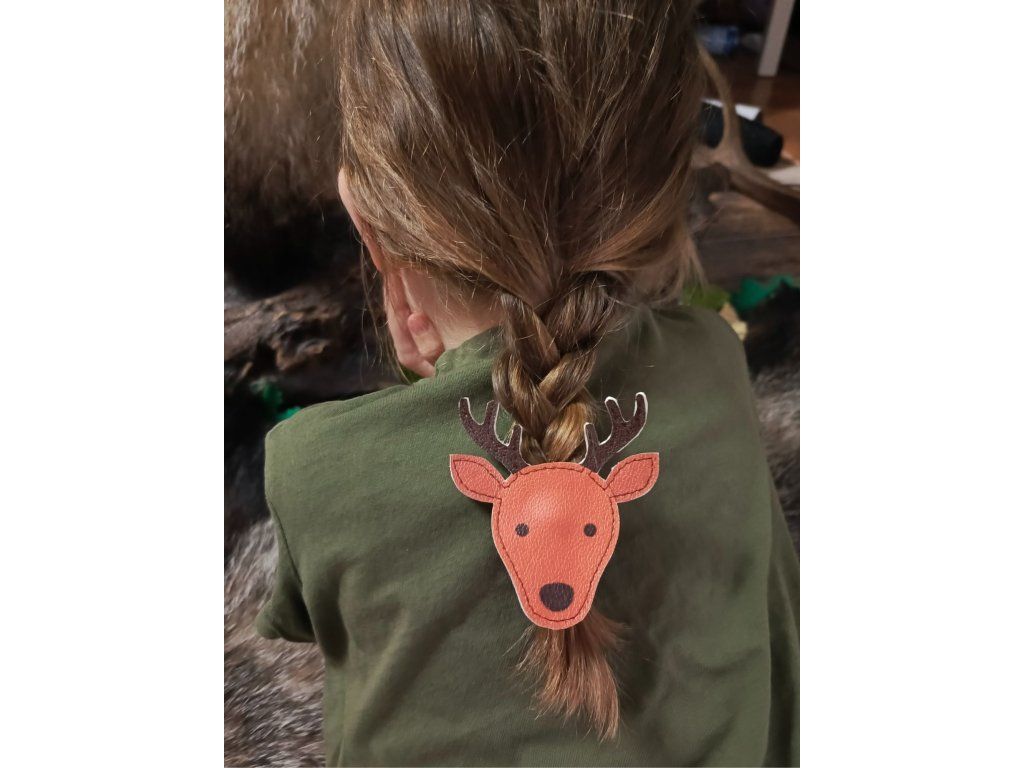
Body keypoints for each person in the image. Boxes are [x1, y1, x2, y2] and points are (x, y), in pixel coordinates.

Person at [255, 1, 799, 765]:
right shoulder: (715, 360)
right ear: (668, 196)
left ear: (367, 223)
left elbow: (321, 625)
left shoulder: (314, 465)